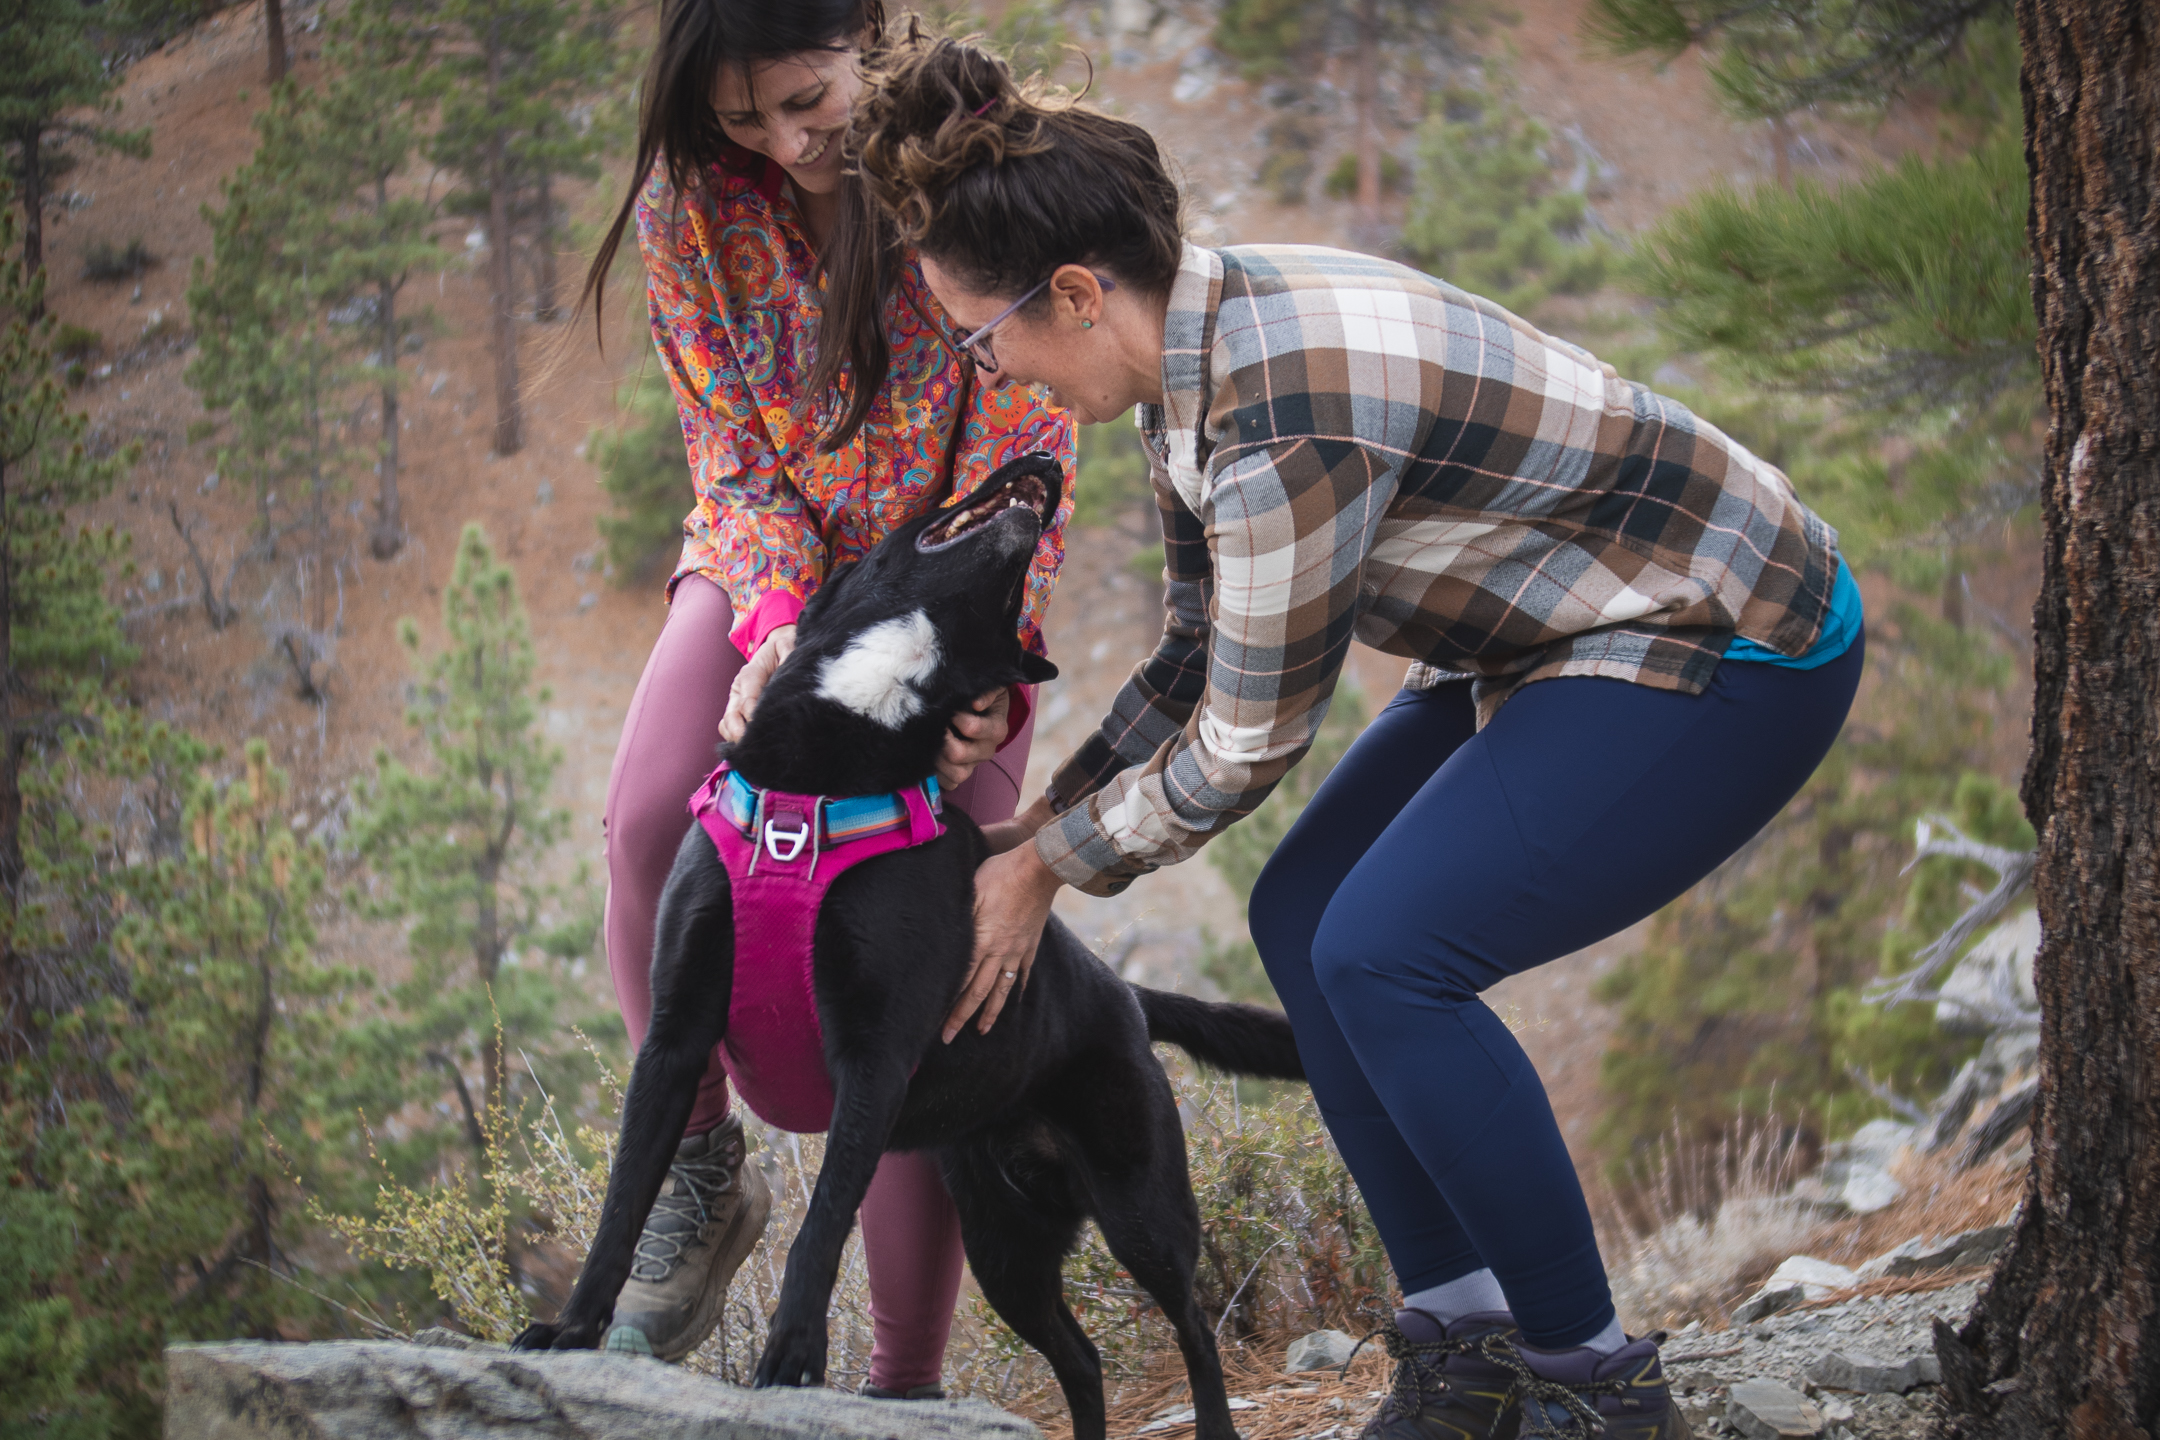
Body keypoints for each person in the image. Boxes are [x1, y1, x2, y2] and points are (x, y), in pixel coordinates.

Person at [856, 31, 1863, 1440]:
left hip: (1724, 631)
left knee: (1386, 957)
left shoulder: (1276, 426)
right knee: (1307, 914)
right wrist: (1041, 822)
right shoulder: (1196, 346)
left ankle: (1598, 1391)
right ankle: (1466, 1342)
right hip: (1536, 623)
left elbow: (1245, 746)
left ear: (1076, 294)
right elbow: (1196, 649)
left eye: (988, 338)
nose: (999, 374)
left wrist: (1049, 870)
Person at [578, 0, 1075, 1386]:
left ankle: (902, 1378)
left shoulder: (979, 171)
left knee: (919, 989)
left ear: (870, 32)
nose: (786, 142)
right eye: (745, 119)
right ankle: (696, 1170)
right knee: (641, 823)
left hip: (950, 608)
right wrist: (775, 627)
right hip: (769, 579)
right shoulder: (693, 202)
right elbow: (732, 462)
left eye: (804, 101)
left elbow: (1026, 459)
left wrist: (986, 683)